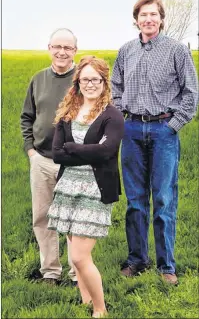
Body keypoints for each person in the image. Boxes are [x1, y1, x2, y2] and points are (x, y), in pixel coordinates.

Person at [111, 0, 198, 285]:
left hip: (164, 131)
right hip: (133, 131)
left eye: (153, 14)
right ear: (136, 19)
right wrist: (123, 114)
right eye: (143, 14)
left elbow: (191, 93)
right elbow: (115, 86)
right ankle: (137, 259)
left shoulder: (176, 50)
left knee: (163, 199)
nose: (148, 19)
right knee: (135, 200)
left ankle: (166, 265)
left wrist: (173, 125)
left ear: (161, 19)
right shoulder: (125, 51)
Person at [47, 55, 124, 317]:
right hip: (68, 186)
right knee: (73, 252)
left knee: (80, 256)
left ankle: (100, 309)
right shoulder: (68, 111)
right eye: (85, 79)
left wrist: (73, 148)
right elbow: (57, 153)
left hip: (95, 188)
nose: (90, 84)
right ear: (77, 81)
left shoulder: (111, 115)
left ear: (104, 82)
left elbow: (107, 151)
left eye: (96, 79)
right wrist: (86, 150)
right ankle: (85, 301)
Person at [20, 28, 78, 285]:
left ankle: (78, 273)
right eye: (57, 47)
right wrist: (31, 150)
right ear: (49, 49)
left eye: (67, 47)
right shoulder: (38, 79)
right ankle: (51, 272)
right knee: (42, 217)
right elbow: (27, 117)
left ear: (75, 51)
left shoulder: (83, 79)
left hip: (74, 162)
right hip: (41, 160)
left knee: (74, 219)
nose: (62, 52)